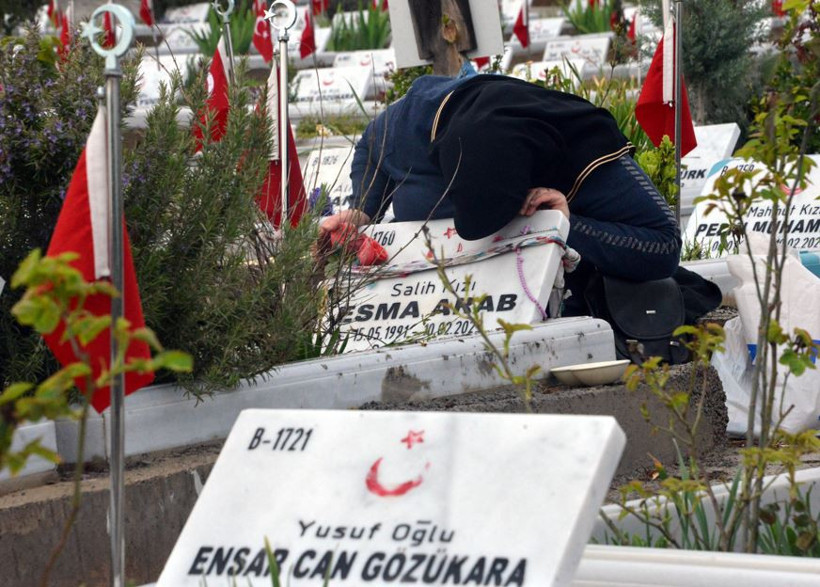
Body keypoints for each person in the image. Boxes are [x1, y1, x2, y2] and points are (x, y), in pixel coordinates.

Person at [319, 73, 682, 316]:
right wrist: (363, 211)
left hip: (577, 239)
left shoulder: (584, 147)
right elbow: (370, 146)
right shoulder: (404, 126)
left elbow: (665, 246)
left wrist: (561, 225)